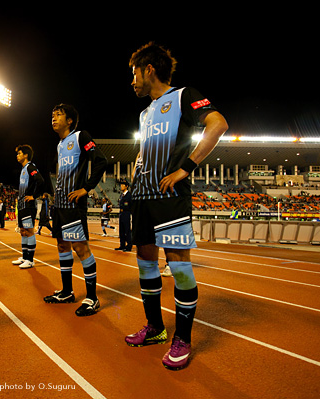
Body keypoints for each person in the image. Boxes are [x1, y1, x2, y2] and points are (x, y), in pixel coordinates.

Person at [124, 42, 228, 370]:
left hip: (171, 196)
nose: (132, 81)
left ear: (148, 69)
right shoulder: (145, 112)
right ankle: (155, 328)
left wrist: (187, 168)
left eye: (134, 74)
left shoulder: (183, 95)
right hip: (143, 196)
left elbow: (218, 124)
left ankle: (183, 337)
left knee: (179, 264)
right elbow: (147, 152)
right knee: (145, 263)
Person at [44, 104, 107, 317]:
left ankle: (92, 298)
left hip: (73, 205)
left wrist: (86, 188)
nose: (53, 118)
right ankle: (67, 292)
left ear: (69, 120)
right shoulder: (60, 145)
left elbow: (101, 161)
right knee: (62, 246)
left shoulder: (81, 136)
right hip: (60, 205)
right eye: (52, 115)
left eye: (58, 115)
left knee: (81, 249)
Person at [11, 145, 44, 269]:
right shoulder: (24, 169)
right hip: (21, 205)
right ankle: (25, 257)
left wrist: (33, 196)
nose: (17, 155)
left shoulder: (31, 167)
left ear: (25, 155)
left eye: (19, 153)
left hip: (28, 205)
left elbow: (40, 181)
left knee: (29, 231)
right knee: (23, 231)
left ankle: (30, 260)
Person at [114, 180, 132, 251]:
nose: (121, 186)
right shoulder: (122, 195)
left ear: (127, 186)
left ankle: (129, 245)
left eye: (123, 185)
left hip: (126, 213)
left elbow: (129, 205)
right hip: (121, 213)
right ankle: (122, 245)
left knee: (127, 230)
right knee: (121, 230)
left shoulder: (129, 195)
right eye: (121, 185)